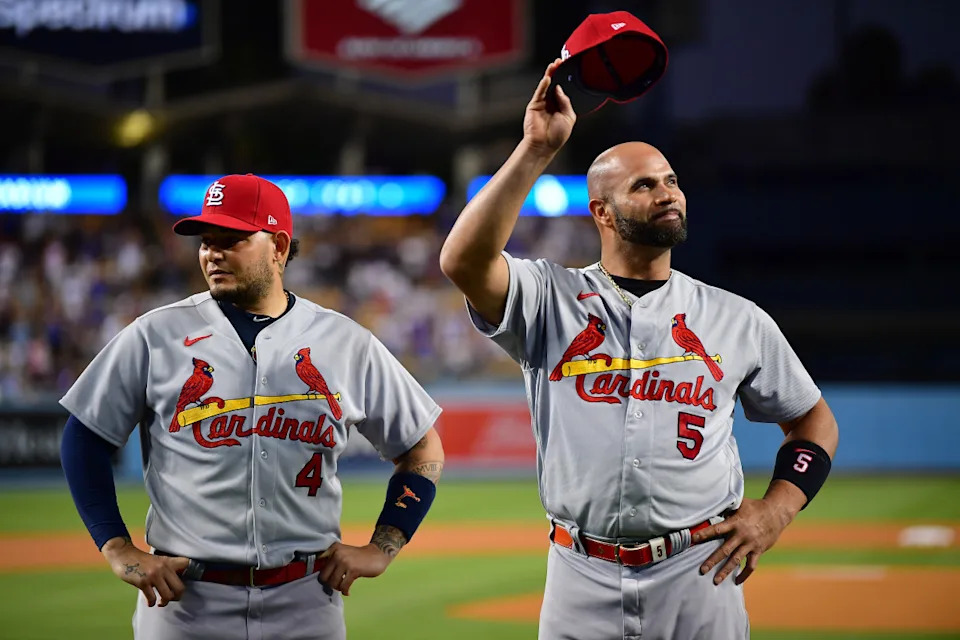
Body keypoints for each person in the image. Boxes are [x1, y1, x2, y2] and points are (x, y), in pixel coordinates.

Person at [439, 59, 839, 640]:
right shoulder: (550, 298)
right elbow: (462, 262)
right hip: (580, 574)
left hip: (700, 572)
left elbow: (813, 422)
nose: (667, 193)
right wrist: (534, 150)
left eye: (671, 180)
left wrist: (777, 508)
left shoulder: (735, 317)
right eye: (644, 185)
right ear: (601, 212)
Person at [59, 174, 444, 640]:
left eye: (232, 239)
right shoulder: (154, 334)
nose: (212, 253)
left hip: (306, 601)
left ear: (279, 247)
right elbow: (84, 436)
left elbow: (421, 449)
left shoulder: (345, 342)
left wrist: (384, 546)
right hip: (185, 605)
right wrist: (117, 546)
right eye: (206, 241)